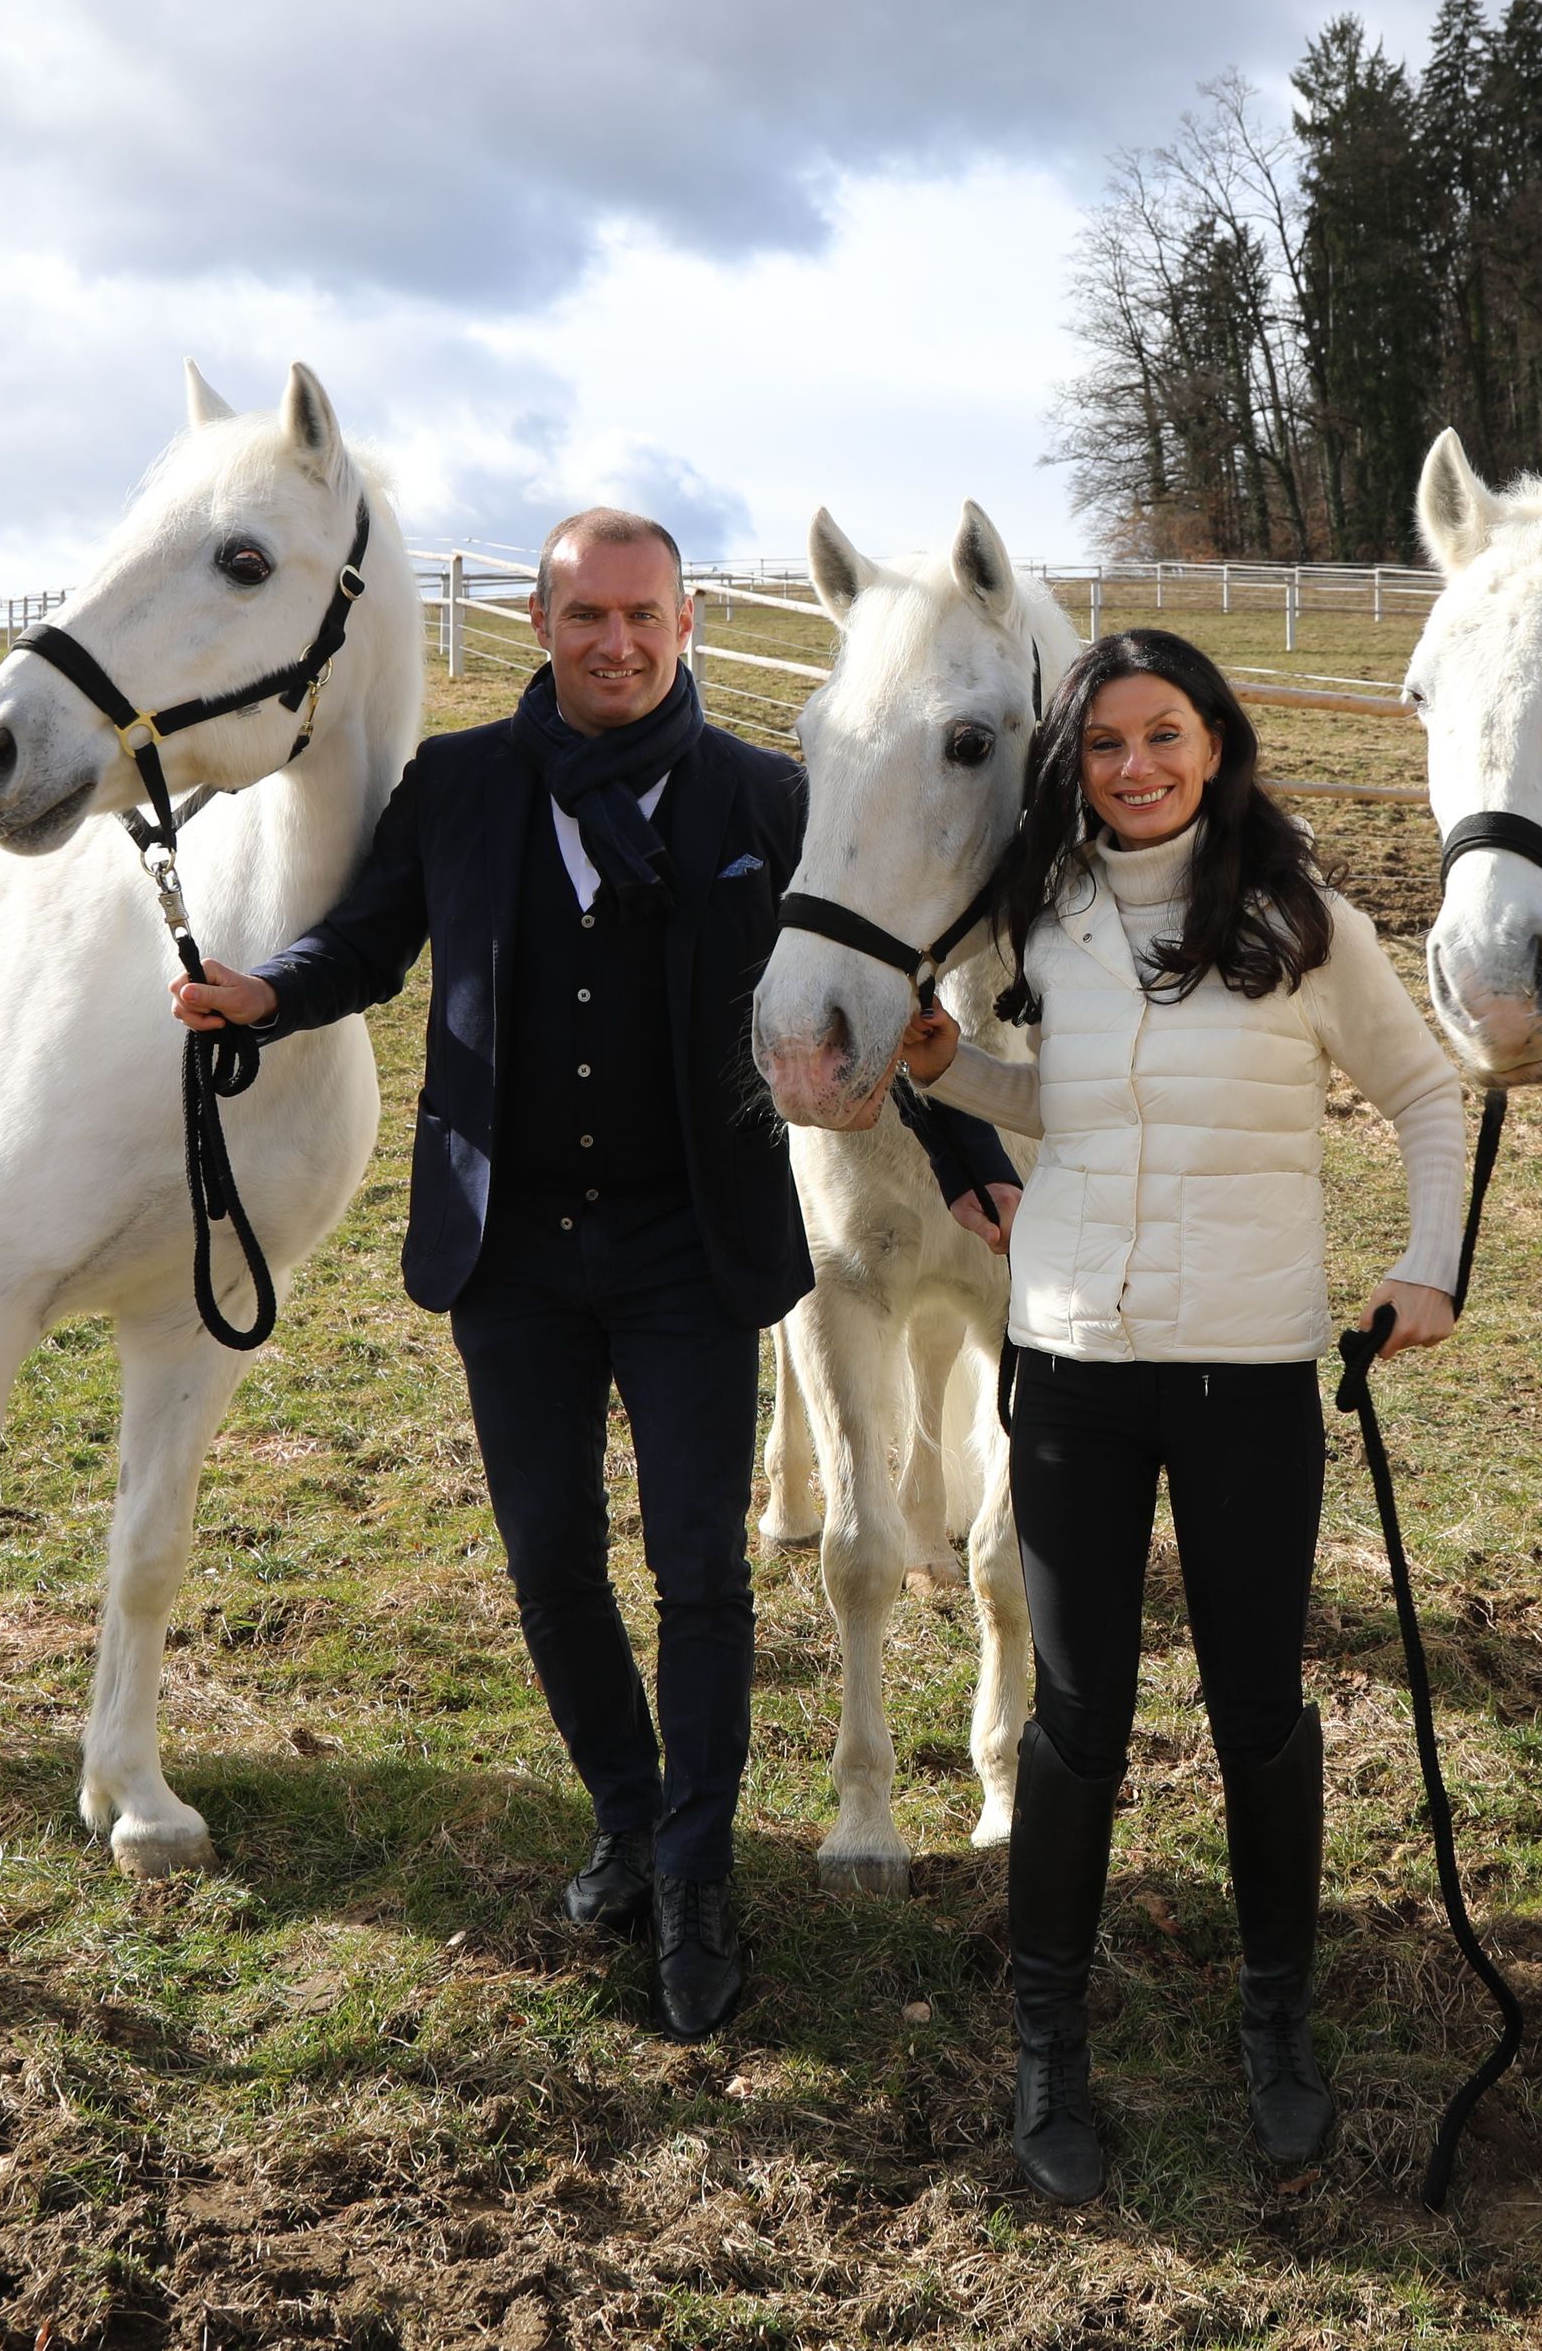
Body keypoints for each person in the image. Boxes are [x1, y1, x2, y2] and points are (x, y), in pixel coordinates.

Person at [172, 507, 1015, 2041]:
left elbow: (886, 980)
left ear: (685, 626)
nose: (615, 643)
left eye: (644, 616)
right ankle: (632, 1815)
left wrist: (968, 1156)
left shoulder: (766, 798)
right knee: (551, 1561)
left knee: (697, 1570)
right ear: (543, 630)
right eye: (585, 618)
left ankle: (697, 1873)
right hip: (511, 1249)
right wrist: (266, 994)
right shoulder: (465, 787)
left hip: (690, 1250)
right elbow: (366, 946)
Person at [892, 627, 1467, 2202]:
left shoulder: (1298, 917)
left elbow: (1427, 1095)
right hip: (1072, 1369)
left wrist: (1431, 1269)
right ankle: (1045, 2044)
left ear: (1216, 741)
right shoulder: (1046, 916)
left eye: (1163, 735)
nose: (1134, 768)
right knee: (1078, 1722)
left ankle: (1277, 2026)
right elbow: (1058, 1109)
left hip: (1249, 1375)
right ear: (1071, 766)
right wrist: (961, 1072)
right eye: (1102, 746)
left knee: (1255, 1707)